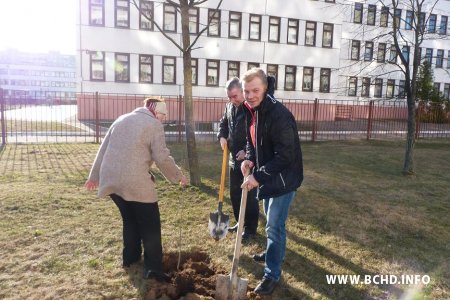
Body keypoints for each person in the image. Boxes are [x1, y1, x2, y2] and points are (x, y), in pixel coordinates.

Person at [85, 97, 187, 282]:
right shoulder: (154, 124)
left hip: (112, 180)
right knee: (151, 226)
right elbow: (161, 157)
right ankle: (153, 269)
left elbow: (103, 148)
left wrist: (94, 177)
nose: (163, 120)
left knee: (130, 219)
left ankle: (130, 260)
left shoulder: (121, 118)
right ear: (157, 112)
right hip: (135, 182)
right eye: (163, 116)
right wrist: (178, 176)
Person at [240, 68, 303, 295]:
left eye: (255, 90)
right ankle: (271, 252)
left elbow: (286, 156)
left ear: (265, 88)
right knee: (271, 222)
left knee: (274, 226)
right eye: (247, 91)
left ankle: (271, 274)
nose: (250, 95)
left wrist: (257, 176)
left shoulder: (279, 115)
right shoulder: (252, 110)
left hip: (284, 179)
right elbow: (252, 140)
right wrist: (249, 159)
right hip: (268, 175)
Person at [217, 77, 259, 242]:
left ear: (242, 91)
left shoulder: (251, 109)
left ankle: (250, 228)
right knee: (234, 192)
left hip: (247, 160)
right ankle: (239, 222)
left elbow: (256, 134)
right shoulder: (229, 107)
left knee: (248, 194)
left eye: (234, 96)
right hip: (233, 158)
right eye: (229, 97)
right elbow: (223, 124)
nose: (231, 100)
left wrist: (247, 153)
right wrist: (221, 136)